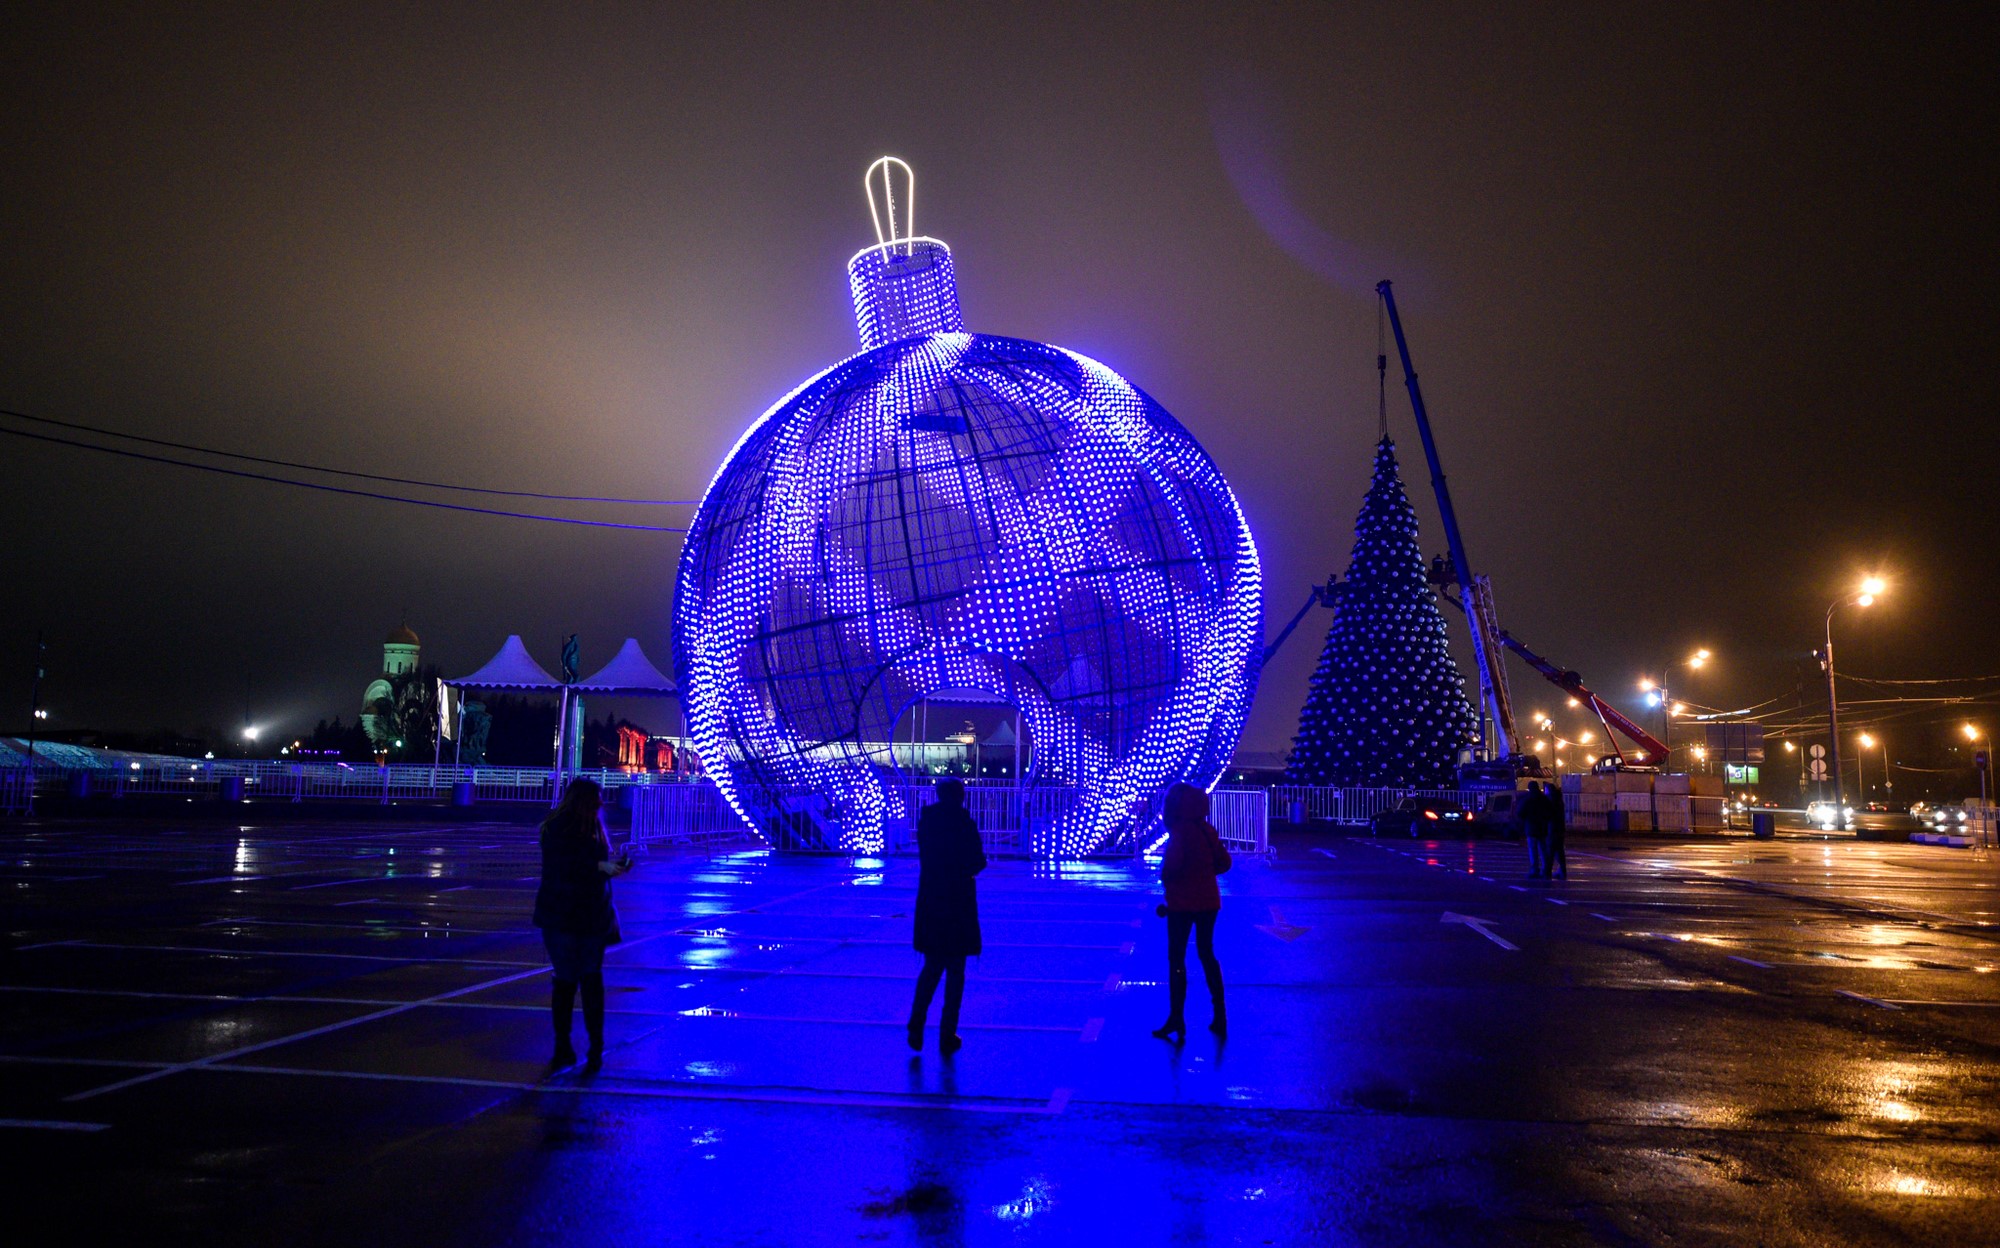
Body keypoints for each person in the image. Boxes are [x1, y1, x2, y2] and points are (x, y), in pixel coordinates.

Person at [532, 778, 631, 1072]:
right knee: (582, 980)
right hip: (572, 913)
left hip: (577, 914)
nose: (602, 803)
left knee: (574, 981)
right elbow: (563, 867)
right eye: (596, 799)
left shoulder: (582, 825)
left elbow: (572, 867)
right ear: (583, 801)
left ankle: (579, 1046)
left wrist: (608, 868)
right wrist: (600, 868)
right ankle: (580, 1046)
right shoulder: (564, 827)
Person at [907, 779, 986, 1055]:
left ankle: (916, 1024)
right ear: (960, 796)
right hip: (958, 902)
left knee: (931, 969)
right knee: (955, 973)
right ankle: (947, 1032)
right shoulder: (964, 823)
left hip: (931, 900)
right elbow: (978, 861)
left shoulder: (926, 823)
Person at [1153, 782, 1232, 1043]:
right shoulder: (1206, 830)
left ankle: (1177, 1016)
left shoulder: (1180, 832)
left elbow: (1172, 869)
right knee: (1207, 954)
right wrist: (1205, 874)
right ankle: (1219, 1015)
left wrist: (1168, 878)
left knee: (1177, 959)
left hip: (1181, 903)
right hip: (1208, 901)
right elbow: (1224, 862)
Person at [1519, 781, 1553, 879]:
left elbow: (1520, 812)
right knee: (1543, 849)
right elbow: (1550, 812)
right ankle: (1546, 870)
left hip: (1531, 827)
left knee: (1533, 850)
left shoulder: (1528, 799)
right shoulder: (1544, 799)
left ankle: (1535, 870)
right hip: (1542, 827)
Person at [1546, 780, 1570, 880]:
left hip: (1553, 829)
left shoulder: (1551, 801)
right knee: (1559, 852)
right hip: (1559, 829)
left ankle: (1547, 872)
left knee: (1550, 852)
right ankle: (1562, 871)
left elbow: (1549, 815)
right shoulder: (1558, 801)